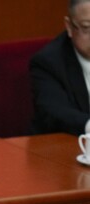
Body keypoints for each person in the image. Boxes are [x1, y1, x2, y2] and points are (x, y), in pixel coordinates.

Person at [30, 0, 90, 135]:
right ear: (69, 26)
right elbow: (55, 113)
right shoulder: (48, 62)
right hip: (65, 147)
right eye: (87, 27)